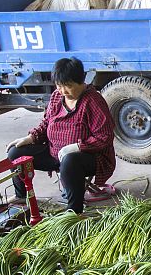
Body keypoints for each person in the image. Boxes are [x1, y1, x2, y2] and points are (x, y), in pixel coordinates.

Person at [6, 57, 116, 214]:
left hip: (88, 158)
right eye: (59, 86)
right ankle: (21, 196)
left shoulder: (93, 101)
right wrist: (30, 138)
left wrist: (77, 147)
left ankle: (74, 210)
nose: (63, 91)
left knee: (70, 161)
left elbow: (104, 137)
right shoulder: (57, 97)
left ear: (81, 82)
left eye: (68, 86)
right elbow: (46, 123)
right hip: (55, 153)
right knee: (16, 153)